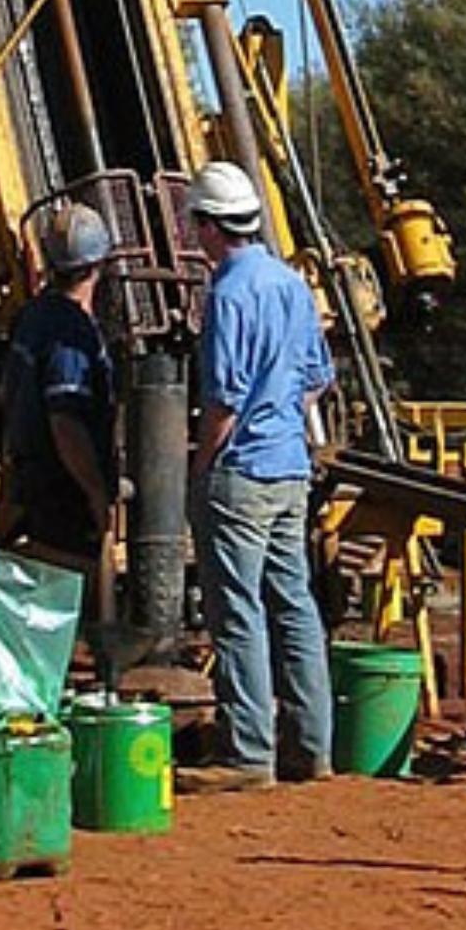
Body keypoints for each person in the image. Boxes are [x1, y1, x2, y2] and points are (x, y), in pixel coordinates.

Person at [187, 160, 336, 785]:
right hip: (289, 469)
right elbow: (315, 381)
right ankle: (311, 746)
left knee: (239, 611)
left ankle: (249, 753)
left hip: (242, 472)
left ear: (209, 225)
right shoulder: (291, 285)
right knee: (294, 604)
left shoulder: (227, 293)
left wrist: (199, 469)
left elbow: (223, 398)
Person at [0, 200, 118, 571]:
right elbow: (66, 424)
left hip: (30, 483)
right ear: (99, 265)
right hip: (64, 493)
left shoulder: (31, 316)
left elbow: (6, 396)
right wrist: (96, 493)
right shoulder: (72, 332)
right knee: (75, 594)